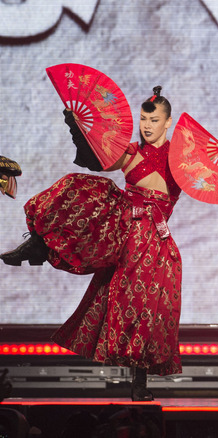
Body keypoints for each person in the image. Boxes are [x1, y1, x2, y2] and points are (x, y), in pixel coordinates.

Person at [0, 87, 182, 401]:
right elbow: (95, 160)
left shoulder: (179, 159)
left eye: (154, 120)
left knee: (145, 311)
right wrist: (76, 126)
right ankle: (38, 245)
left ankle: (139, 384)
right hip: (121, 231)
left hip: (154, 241)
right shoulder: (131, 152)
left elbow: (216, 168)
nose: (147, 125)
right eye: (143, 119)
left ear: (168, 122)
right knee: (81, 187)